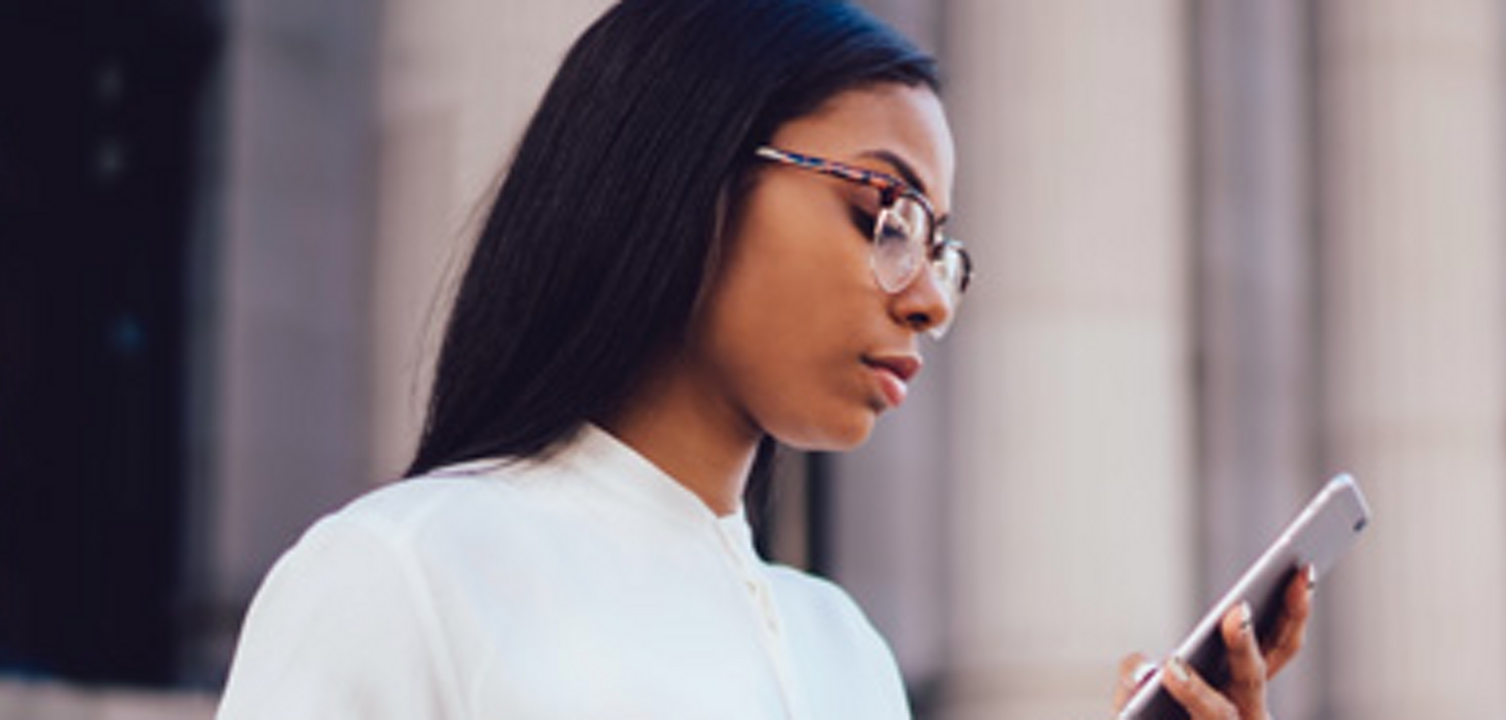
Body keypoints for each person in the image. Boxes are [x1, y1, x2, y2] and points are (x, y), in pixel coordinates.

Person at [216, 1, 1314, 718]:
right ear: (686, 175)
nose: (929, 298)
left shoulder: (846, 655)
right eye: (884, 215)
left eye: (942, 249)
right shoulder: (400, 575)